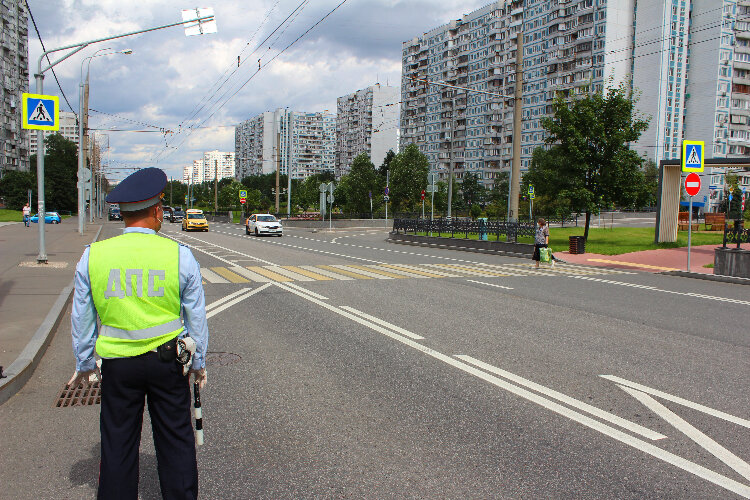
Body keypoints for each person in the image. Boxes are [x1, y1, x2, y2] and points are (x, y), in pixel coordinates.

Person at [68, 167, 209, 499]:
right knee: (176, 440)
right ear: (158, 211)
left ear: (122, 214)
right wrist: (198, 362)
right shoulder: (179, 255)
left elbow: (82, 317)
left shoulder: (93, 256)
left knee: (117, 444)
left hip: (118, 365)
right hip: (168, 363)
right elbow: (196, 317)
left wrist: (85, 362)